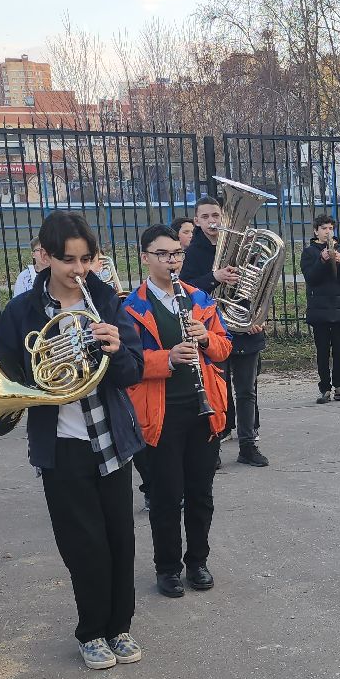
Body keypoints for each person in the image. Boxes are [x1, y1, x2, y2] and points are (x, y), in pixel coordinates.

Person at [0, 211, 146, 670]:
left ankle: (120, 626)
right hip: (61, 444)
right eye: (68, 260)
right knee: (83, 544)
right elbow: (6, 370)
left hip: (110, 439)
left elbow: (133, 371)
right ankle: (92, 631)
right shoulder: (22, 311)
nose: (78, 270)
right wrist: (39, 370)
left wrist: (117, 350)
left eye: (86, 259)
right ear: (45, 256)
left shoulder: (105, 300)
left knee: (120, 539)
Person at [124, 224, 232, 599]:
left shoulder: (198, 298)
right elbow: (127, 363)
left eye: (177, 253)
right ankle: (167, 567)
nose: (172, 261)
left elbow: (224, 348)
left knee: (201, 493)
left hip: (203, 409)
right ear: (145, 258)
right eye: (163, 254)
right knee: (166, 496)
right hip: (160, 413)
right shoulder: (130, 307)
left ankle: (197, 561)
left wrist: (207, 338)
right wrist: (167, 358)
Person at [185, 195, 268, 467]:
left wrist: (257, 316)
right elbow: (185, 289)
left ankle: (248, 446)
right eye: (205, 217)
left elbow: (257, 284)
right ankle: (213, 448)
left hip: (244, 328)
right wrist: (214, 277)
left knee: (246, 392)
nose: (212, 221)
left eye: (216, 215)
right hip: (213, 332)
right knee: (216, 392)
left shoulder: (242, 245)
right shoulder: (192, 253)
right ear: (196, 221)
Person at [302, 214, 340, 404]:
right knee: (323, 352)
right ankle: (325, 389)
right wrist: (322, 260)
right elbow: (311, 278)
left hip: (339, 308)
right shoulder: (309, 253)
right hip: (319, 309)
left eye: (331, 228)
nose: (328, 232)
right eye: (324, 228)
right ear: (316, 231)